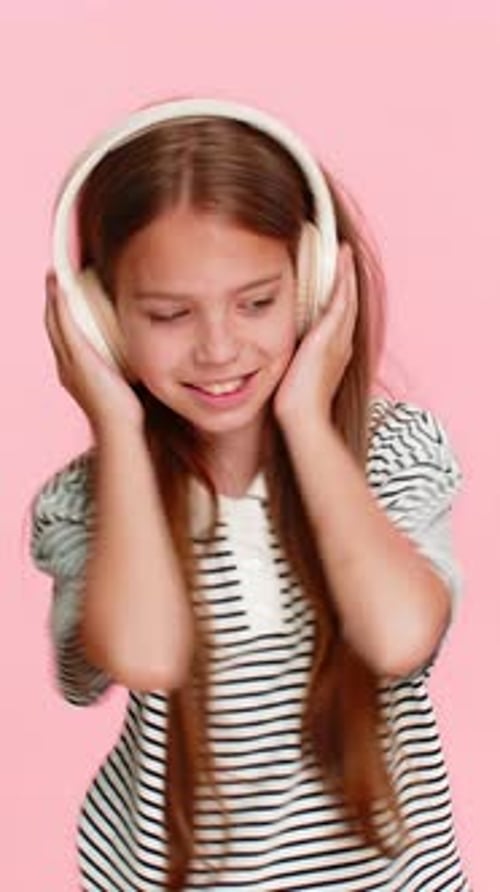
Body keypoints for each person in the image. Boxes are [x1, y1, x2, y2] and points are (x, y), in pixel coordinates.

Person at [31, 98, 470, 890]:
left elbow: (400, 636)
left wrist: (307, 417)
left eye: (258, 303)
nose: (218, 347)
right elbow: (143, 655)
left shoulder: (396, 454)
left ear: (313, 286)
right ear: (99, 319)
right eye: (168, 314)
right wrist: (117, 431)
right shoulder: (89, 502)